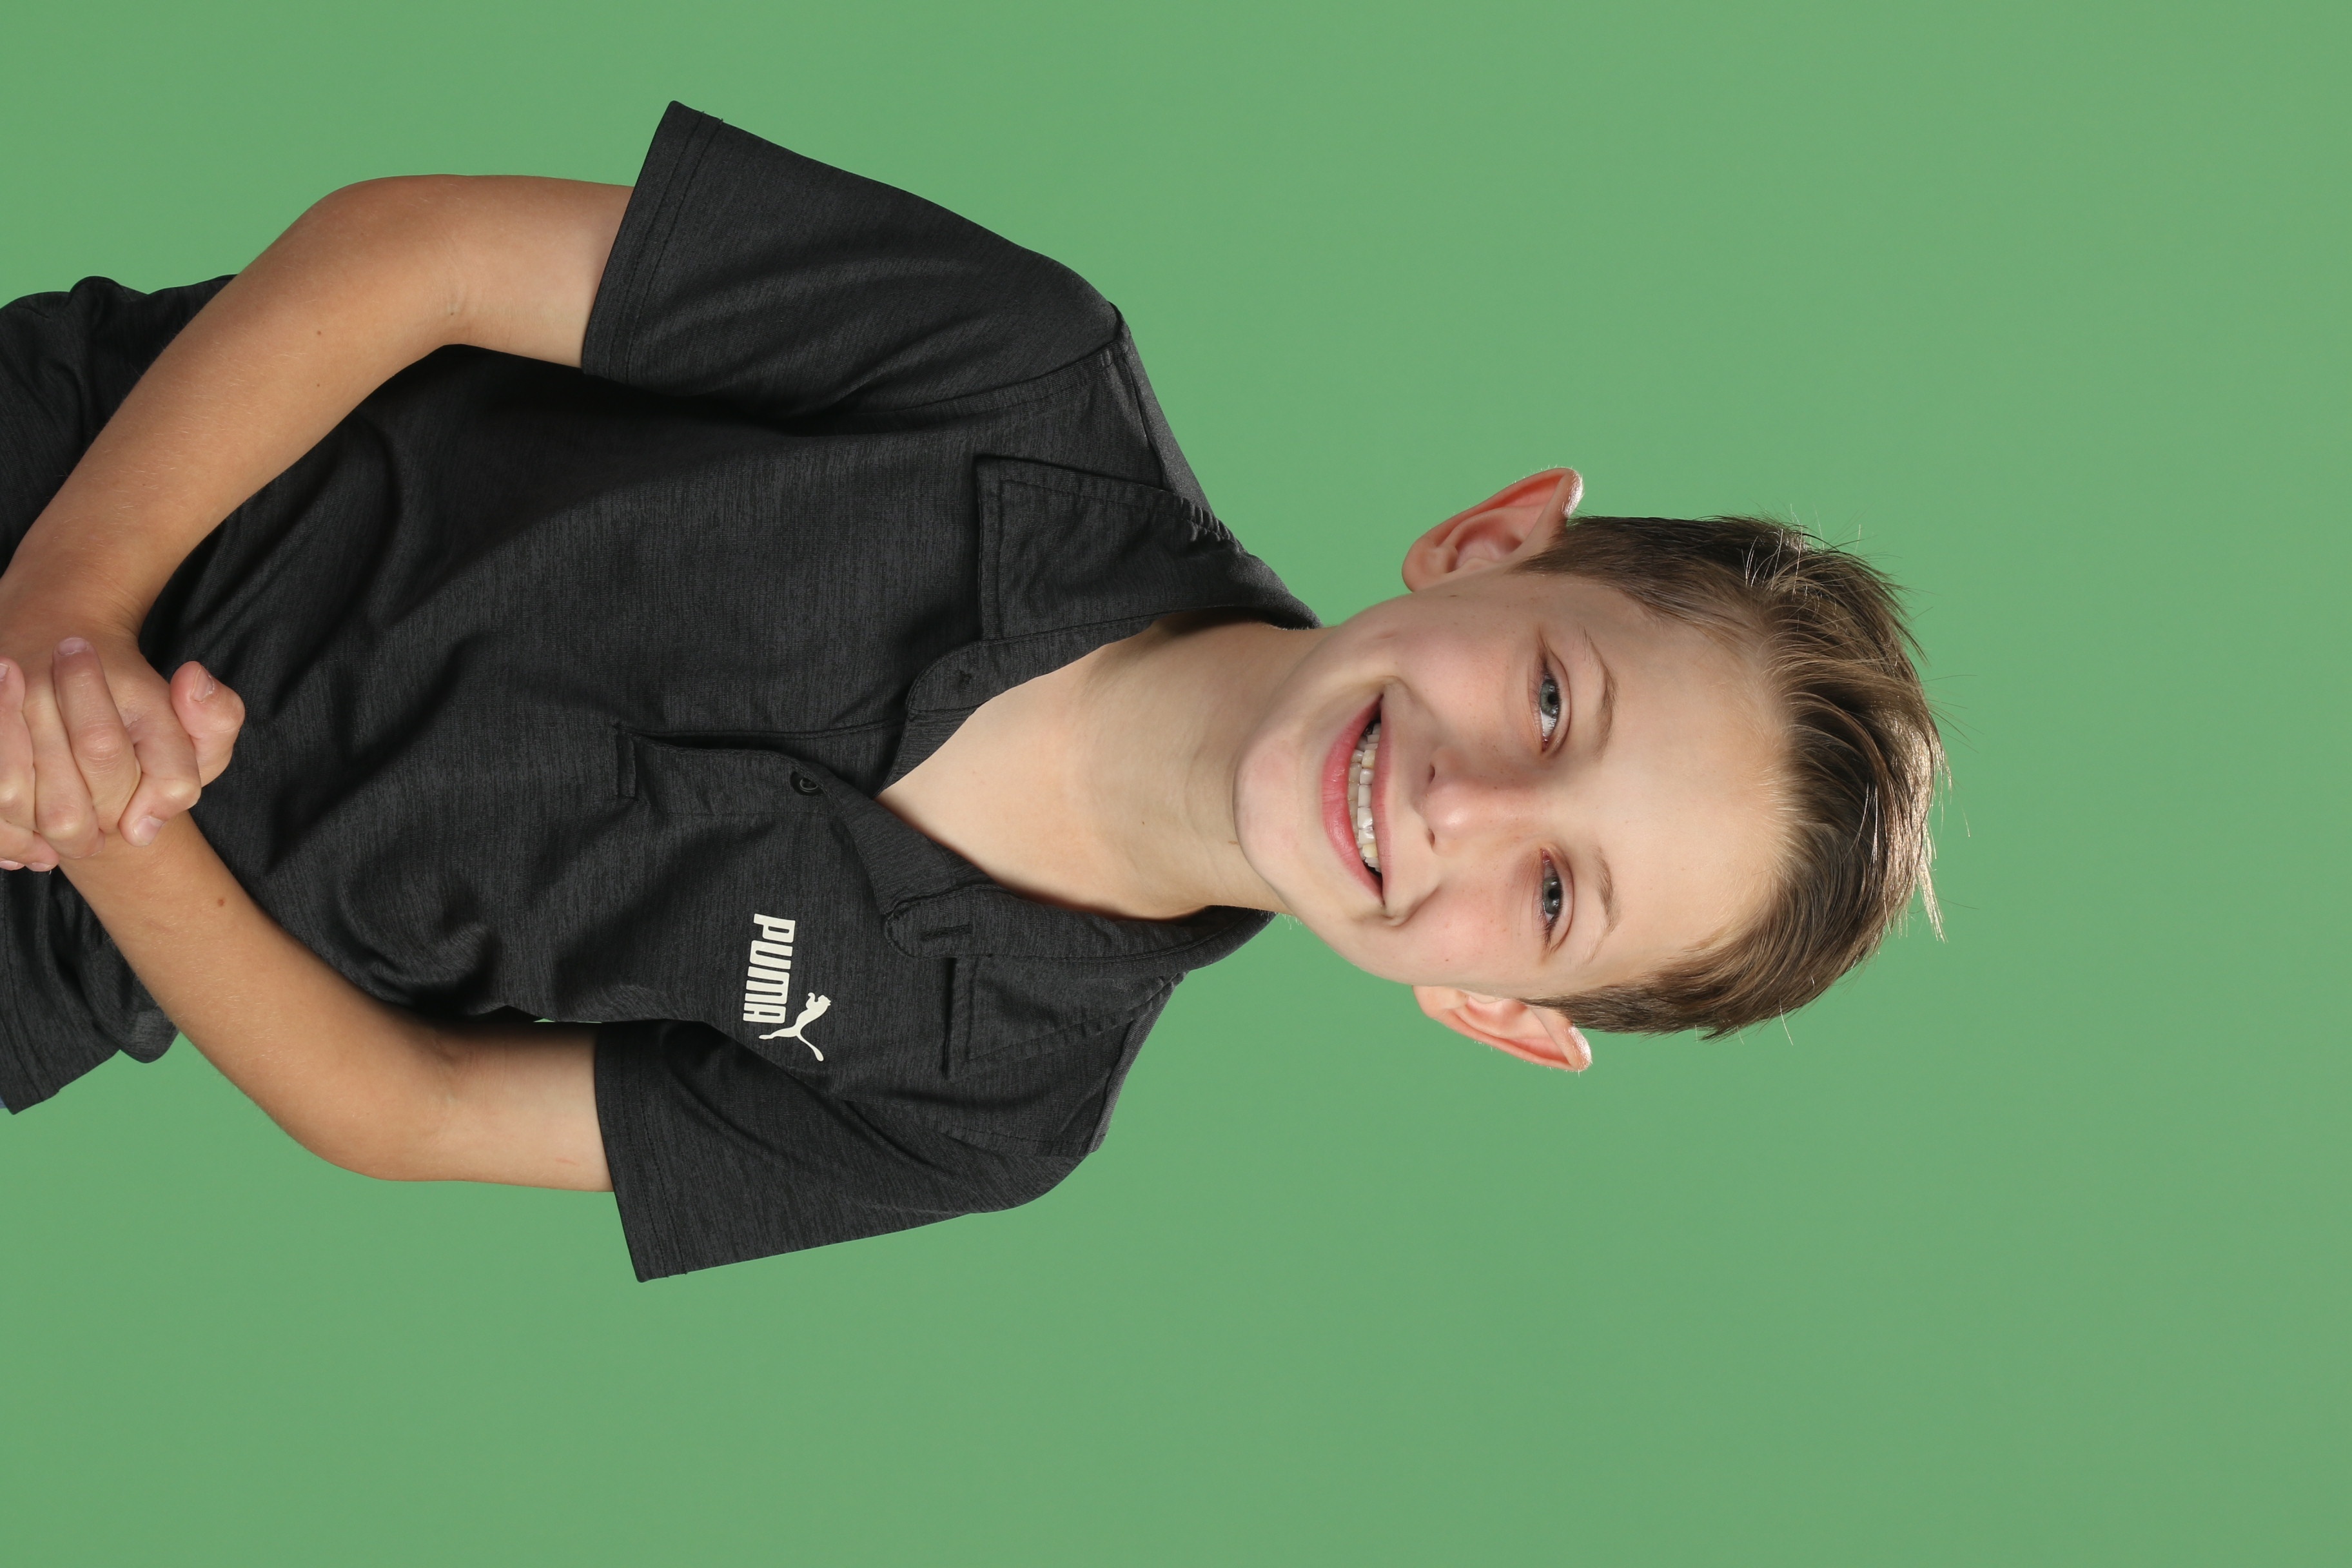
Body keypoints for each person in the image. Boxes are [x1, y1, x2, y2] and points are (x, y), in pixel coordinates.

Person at [0, 104, 1943, 1279]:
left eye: (1553, 893)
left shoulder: (989, 1109)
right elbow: (414, 252)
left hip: (64, 936)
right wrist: (73, 613)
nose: (1467, 803)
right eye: (1552, 705)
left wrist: (110, 821)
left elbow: (407, 1107)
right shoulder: (1018, 370)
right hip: (70, 482)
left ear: (1498, 1012)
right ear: (1494, 542)